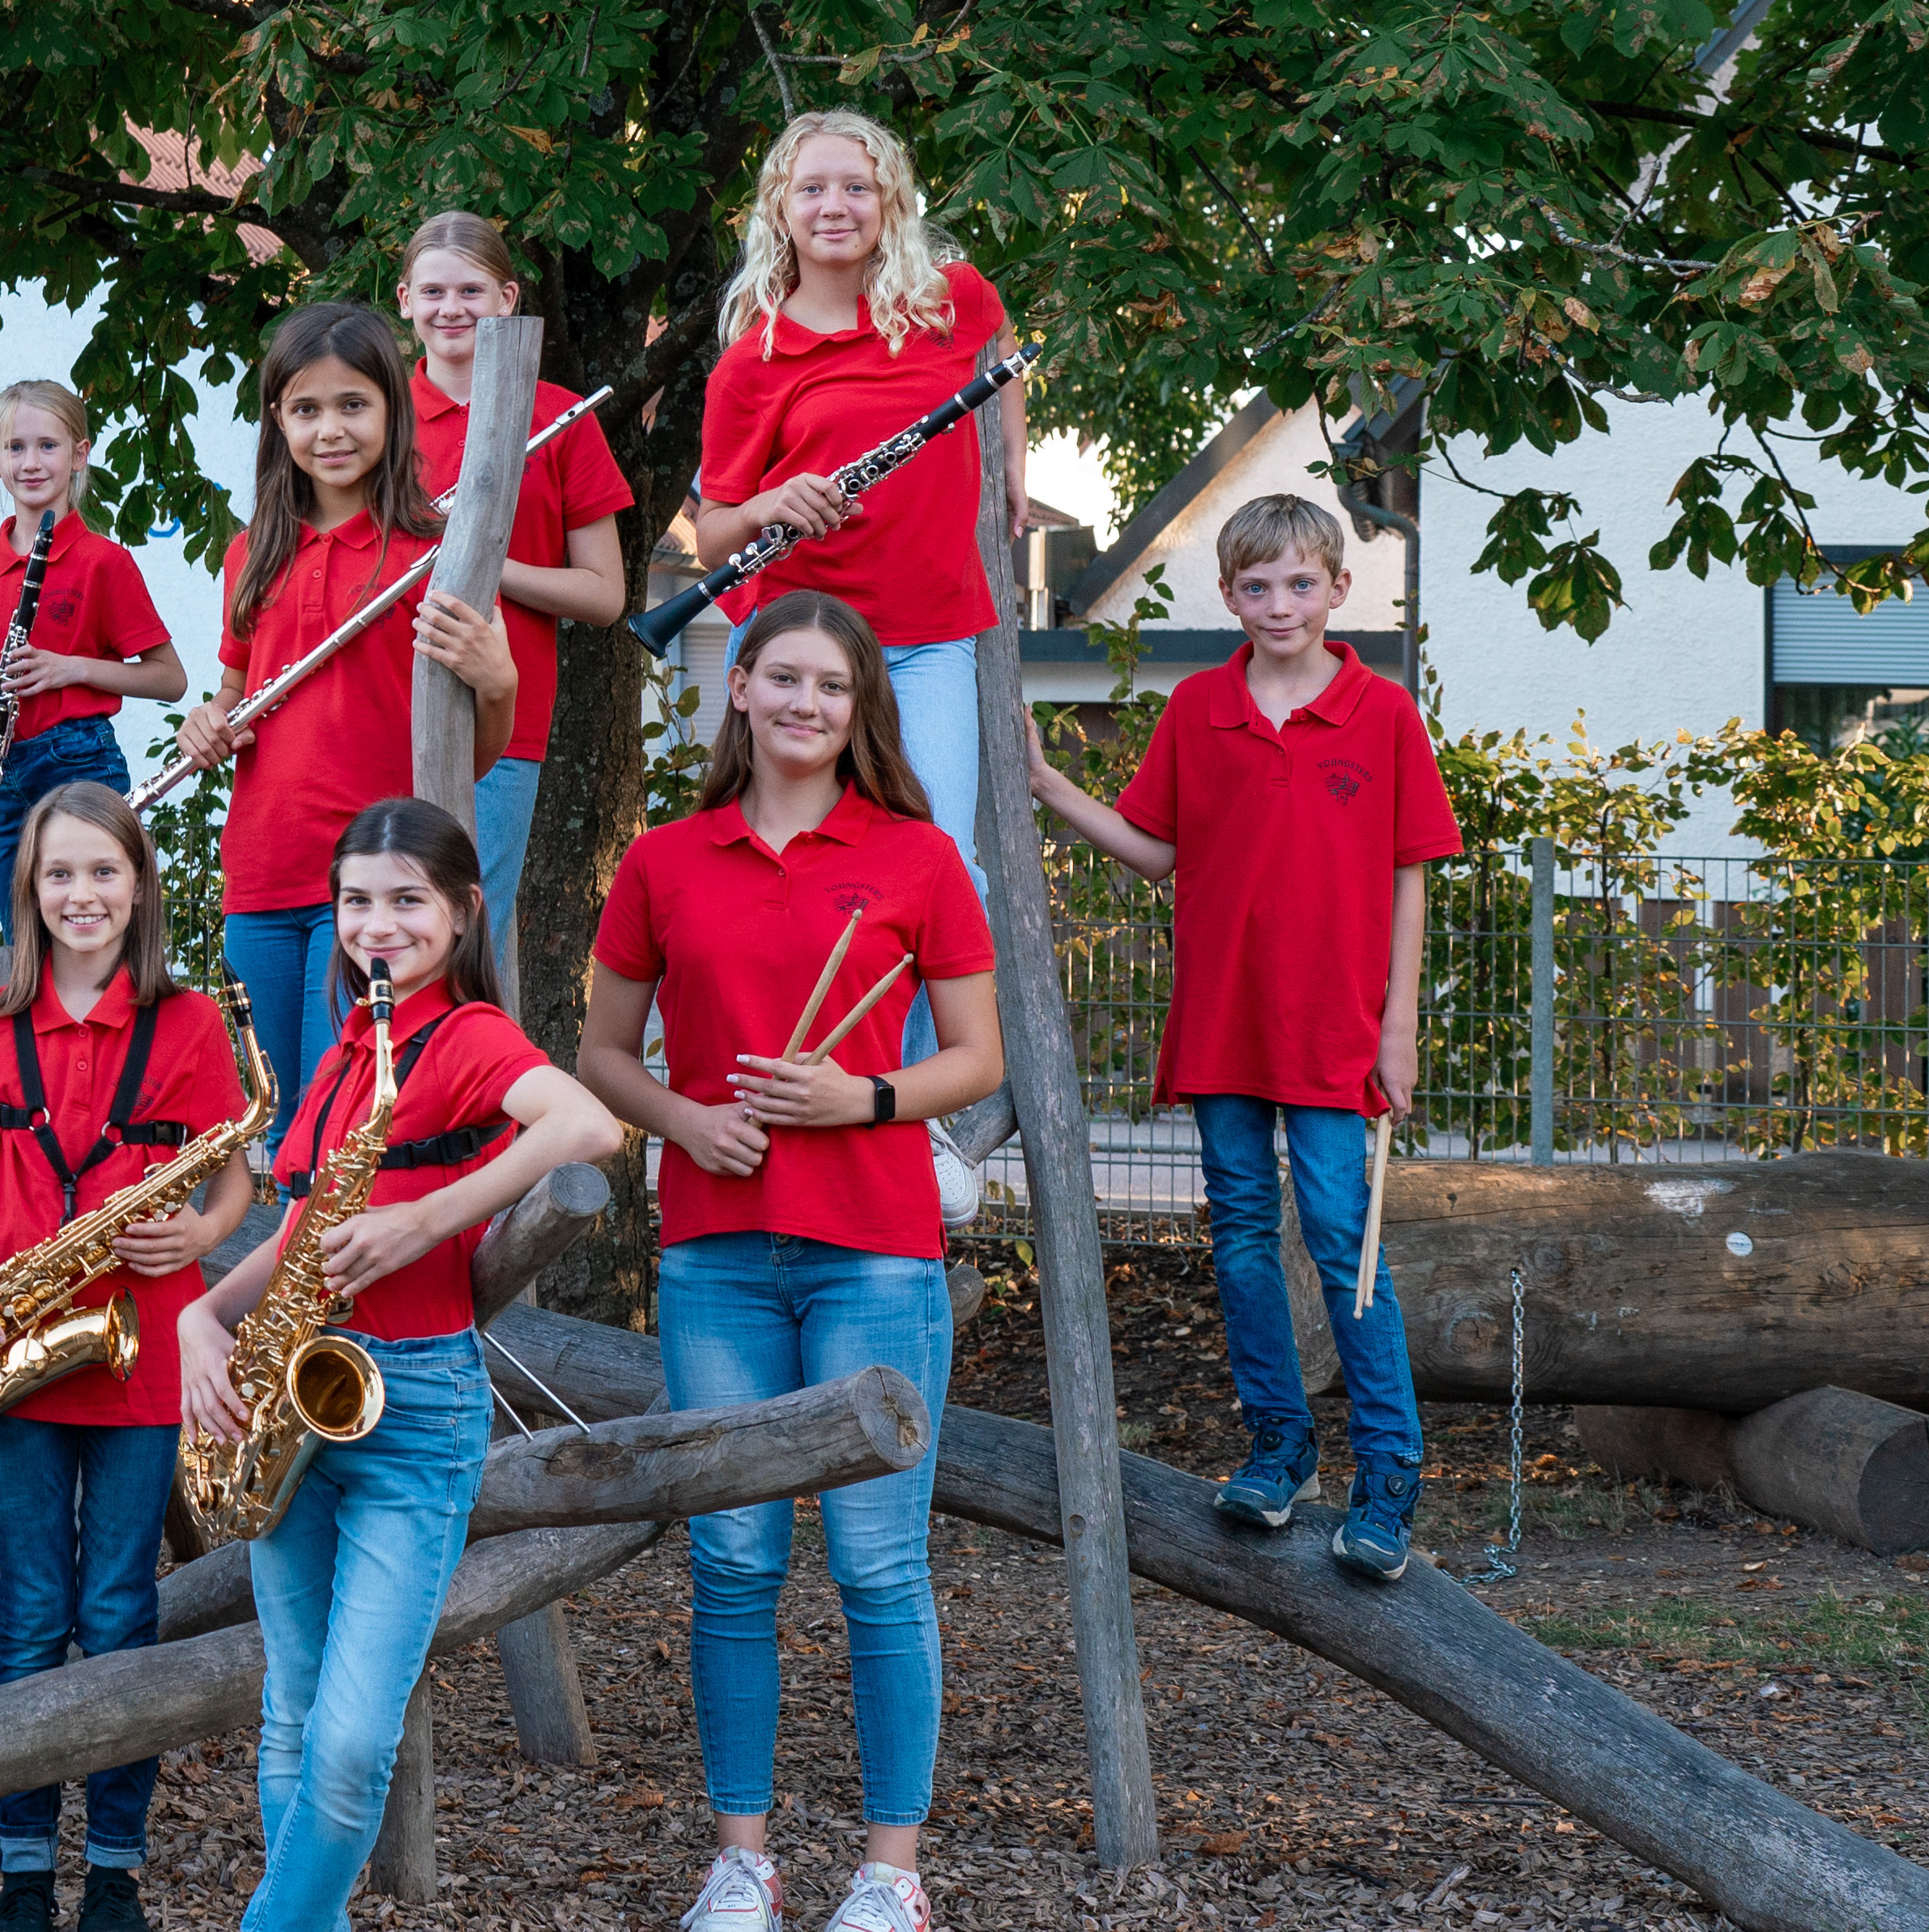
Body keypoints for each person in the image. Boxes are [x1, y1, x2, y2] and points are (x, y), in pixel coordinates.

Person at [573, 589, 1003, 1932]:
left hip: (876, 1251)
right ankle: (742, 1861)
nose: (807, 704)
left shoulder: (917, 858)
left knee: (878, 1568)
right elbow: (596, 1056)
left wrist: (859, 1101)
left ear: (857, 705)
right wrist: (684, 1117)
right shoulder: (664, 859)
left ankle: (891, 1874)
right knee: (734, 1562)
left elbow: (976, 1058)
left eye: (833, 686)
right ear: (741, 688)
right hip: (714, 1255)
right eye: (784, 679)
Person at [184, 799, 622, 1932]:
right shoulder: (342, 1049)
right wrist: (199, 1320)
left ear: (463, 909)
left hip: (412, 1404)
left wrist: (428, 1220)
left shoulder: (468, 1034)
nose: (377, 924)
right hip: (295, 1395)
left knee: (348, 1741)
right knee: (289, 1718)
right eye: (356, 900)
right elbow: (297, 1228)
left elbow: (585, 1125)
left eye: (406, 900)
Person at [1024, 493, 1461, 1580]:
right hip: (1225, 1020)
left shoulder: (1384, 713)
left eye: (1300, 583)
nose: (1279, 603)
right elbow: (1155, 849)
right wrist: (1045, 782)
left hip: (1334, 1031)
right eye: (1256, 586)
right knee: (1239, 1238)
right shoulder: (1198, 711)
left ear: (1338, 589)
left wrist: (1396, 1029)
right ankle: (1279, 1447)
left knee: (1341, 1238)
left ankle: (1390, 1477)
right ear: (1229, 595)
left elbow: (1410, 878)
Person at [0, 782, 253, 1932]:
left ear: (137, 884)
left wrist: (201, 1231)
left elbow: (236, 1171)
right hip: (16, 1349)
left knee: (120, 1602)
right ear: (29, 890)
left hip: (142, 1357)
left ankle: (115, 1865)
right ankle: (22, 1863)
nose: (82, 893)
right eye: (60, 874)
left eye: (103, 872)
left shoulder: (189, 1023)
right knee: (33, 1602)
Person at [692, 109, 1020, 1078]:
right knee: (803, 870)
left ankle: (905, 1093)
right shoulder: (750, 363)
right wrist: (764, 503)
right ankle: (785, 1072)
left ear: (889, 203)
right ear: (777, 213)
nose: (834, 206)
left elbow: (1001, 354)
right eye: (811, 189)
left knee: (943, 870)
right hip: (807, 650)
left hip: (924, 638)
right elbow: (711, 535)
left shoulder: (948, 302)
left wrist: (1008, 460)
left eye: (855, 187)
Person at [176, 304, 512, 1129]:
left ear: (392, 412)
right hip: (258, 874)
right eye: (305, 409)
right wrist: (206, 722)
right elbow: (231, 690)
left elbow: (470, 757)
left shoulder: (439, 550)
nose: (330, 428)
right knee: (281, 1122)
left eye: (352, 404)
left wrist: (495, 681)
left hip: (371, 890)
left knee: (350, 1121)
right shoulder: (251, 549)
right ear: (276, 421)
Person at [393, 211, 640, 957]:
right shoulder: (375, 416)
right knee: (378, 937)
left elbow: (604, 595)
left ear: (508, 299)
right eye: (432, 291)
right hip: (378, 710)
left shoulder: (560, 416)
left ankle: (468, 1076)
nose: (451, 308)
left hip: (504, 720)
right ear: (404, 299)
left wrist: (477, 556)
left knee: (469, 938)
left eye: (472, 290)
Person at [0, 380, 182, 934]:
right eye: (15, 448)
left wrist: (73, 668)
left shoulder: (103, 562)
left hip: (81, 761)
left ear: (79, 455)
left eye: (48, 446)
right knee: (25, 936)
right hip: (5, 771)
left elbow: (170, 679)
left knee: (95, 928)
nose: (31, 462)